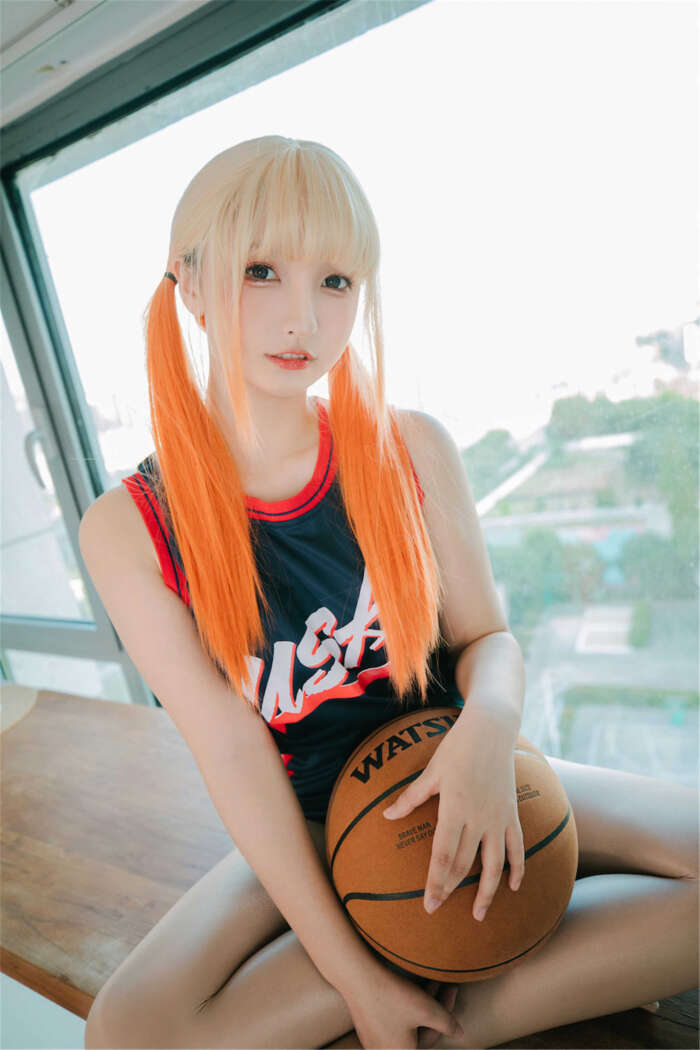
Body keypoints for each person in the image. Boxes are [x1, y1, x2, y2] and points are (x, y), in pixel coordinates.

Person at [79, 135, 697, 1050]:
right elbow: (234, 755)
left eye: (336, 281)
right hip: (311, 825)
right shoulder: (131, 527)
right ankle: (491, 976)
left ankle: (464, 1008)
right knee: (124, 1034)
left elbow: (488, 640)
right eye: (261, 271)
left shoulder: (410, 446)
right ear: (190, 282)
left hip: (467, 763)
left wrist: (488, 732)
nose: (304, 317)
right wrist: (355, 975)